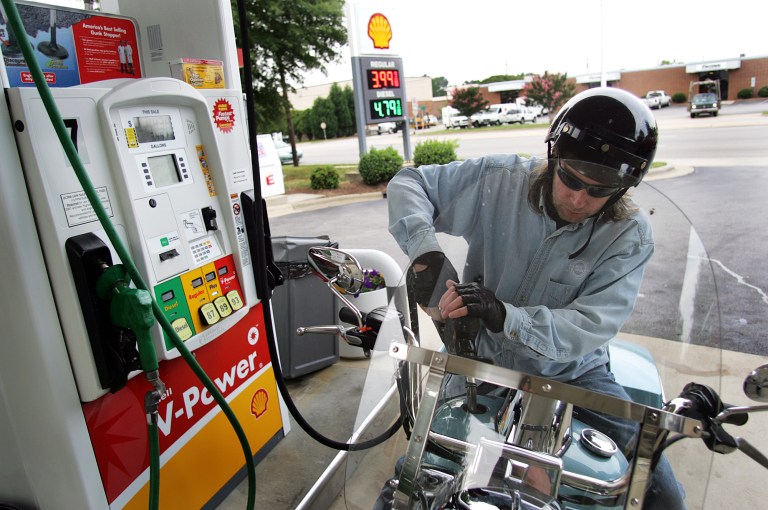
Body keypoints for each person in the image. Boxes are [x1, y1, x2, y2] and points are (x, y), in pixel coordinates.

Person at [386, 87, 684, 509]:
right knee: (415, 477)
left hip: (573, 371)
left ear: (624, 187)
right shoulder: (499, 181)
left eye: (600, 191)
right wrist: (426, 253)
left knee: (661, 493)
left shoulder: (630, 235)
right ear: (553, 156)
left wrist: (506, 315)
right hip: (480, 357)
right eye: (571, 180)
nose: (579, 200)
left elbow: (590, 325)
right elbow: (410, 182)